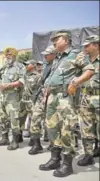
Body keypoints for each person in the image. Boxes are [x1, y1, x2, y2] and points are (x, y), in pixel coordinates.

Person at [39, 30, 94, 177]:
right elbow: (51, 77)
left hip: (65, 97)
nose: (54, 42)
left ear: (66, 40)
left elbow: (89, 70)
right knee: (51, 127)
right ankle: (55, 158)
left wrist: (75, 82)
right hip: (52, 96)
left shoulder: (76, 54)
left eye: (57, 39)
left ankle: (67, 164)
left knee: (66, 129)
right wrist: (46, 92)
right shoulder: (57, 58)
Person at [0, 47, 26, 150]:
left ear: (14, 55)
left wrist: (8, 85)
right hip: (2, 96)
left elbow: (21, 82)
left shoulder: (20, 67)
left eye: (9, 55)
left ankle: (15, 141)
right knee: (1, 117)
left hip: (13, 97)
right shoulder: (5, 67)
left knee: (14, 119)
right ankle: (4, 138)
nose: (7, 57)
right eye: (6, 55)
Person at [28, 45, 56, 155]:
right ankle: (37, 145)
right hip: (41, 97)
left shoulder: (58, 65)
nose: (45, 56)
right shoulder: (45, 65)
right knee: (35, 118)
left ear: (54, 54)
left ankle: (53, 144)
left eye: (47, 55)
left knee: (51, 123)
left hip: (52, 97)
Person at [77, 35, 100, 166]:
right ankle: (88, 155)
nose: (84, 48)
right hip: (85, 97)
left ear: (96, 45)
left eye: (87, 45)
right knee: (86, 127)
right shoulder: (84, 61)